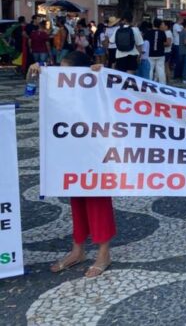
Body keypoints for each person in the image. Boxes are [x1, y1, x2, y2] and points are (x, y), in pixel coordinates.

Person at [30, 52, 116, 278]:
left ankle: (103, 253)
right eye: (60, 70)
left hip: (96, 150)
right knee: (75, 198)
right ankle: (77, 250)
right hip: (69, 149)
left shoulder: (97, 86)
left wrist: (103, 74)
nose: (62, 75)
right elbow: (36, 93)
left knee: (97, 198)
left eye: (67, 71)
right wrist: (37, 73)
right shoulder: (60, 89)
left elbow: (121, 93)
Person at [144, 18, 169, 83]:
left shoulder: (148, 32)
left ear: (153, 24)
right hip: (160, 53)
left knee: (150, 70)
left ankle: (148, 83)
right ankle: (162, 84)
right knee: (161, 70)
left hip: (150, 54)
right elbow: (165, 42)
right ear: (160, 25)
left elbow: (145, 42)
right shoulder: (162, 33)